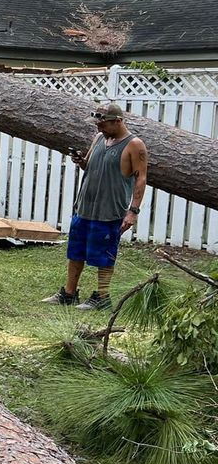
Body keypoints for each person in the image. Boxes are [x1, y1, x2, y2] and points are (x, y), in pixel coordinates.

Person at [43, 103, 148, 310]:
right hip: (85, 206)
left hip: (110, 211)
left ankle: (102, 297)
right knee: (75, 252)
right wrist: (81, 161)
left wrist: (133, 211)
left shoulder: (134, 145)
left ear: (118, 121)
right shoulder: (100, 138)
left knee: (104, 255)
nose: (99, 128)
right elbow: (88, 165)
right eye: (97, 124)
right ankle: (69, 294)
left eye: (103, 124)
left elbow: (141, 178)